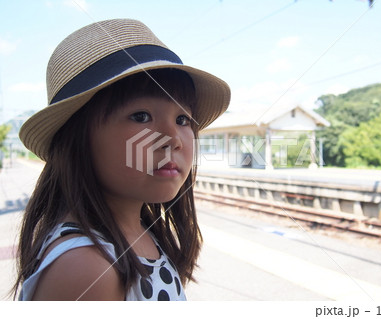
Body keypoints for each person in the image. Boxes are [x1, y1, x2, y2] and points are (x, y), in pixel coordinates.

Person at [13, 18, 230, 301]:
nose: (173, 138)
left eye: (183, 119)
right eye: (141, 116)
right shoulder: (87, 268)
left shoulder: (137, 233)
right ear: (78, 141)